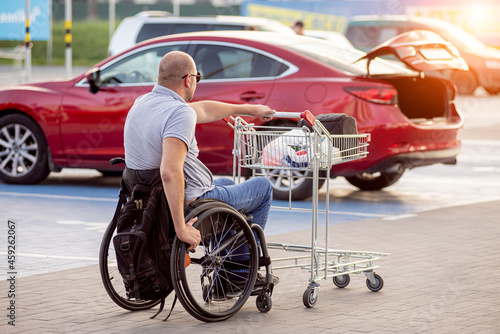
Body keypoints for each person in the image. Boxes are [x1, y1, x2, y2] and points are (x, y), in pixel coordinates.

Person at [123, 51, 277, 289]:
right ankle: (240, 273)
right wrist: (181, 228)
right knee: (263, 188)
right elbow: (169, 172)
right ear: (188, 80)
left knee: (225, 182)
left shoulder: (143, 103)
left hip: (147, 196)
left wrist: (251, 110)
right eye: (198, 76)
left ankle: (229, 261)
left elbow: (205, 110)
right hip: (190, 200)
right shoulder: (179, 113)